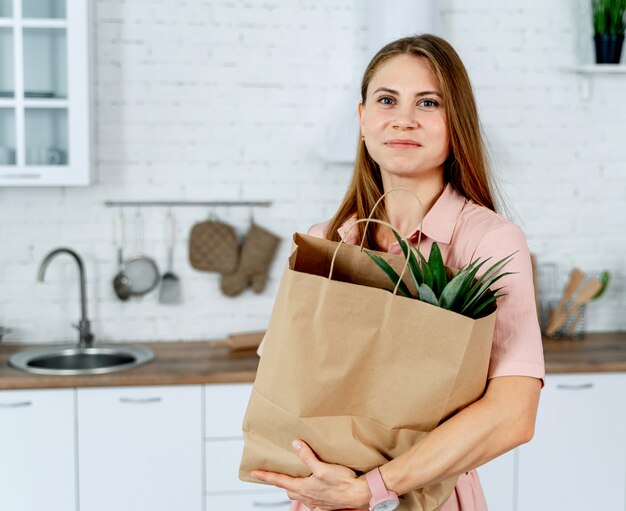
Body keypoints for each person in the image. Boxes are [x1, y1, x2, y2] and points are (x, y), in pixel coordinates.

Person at [251, 34, 544, 511]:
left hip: (428, 500)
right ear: (363, 118)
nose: (404, 118)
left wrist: (370, 488)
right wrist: (321, 479)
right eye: (387, 100)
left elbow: (513, 414)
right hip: (325, 496)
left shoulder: (489, 243)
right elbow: (283, 382)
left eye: (428, 102)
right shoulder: (325, 241)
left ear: (456, 123)